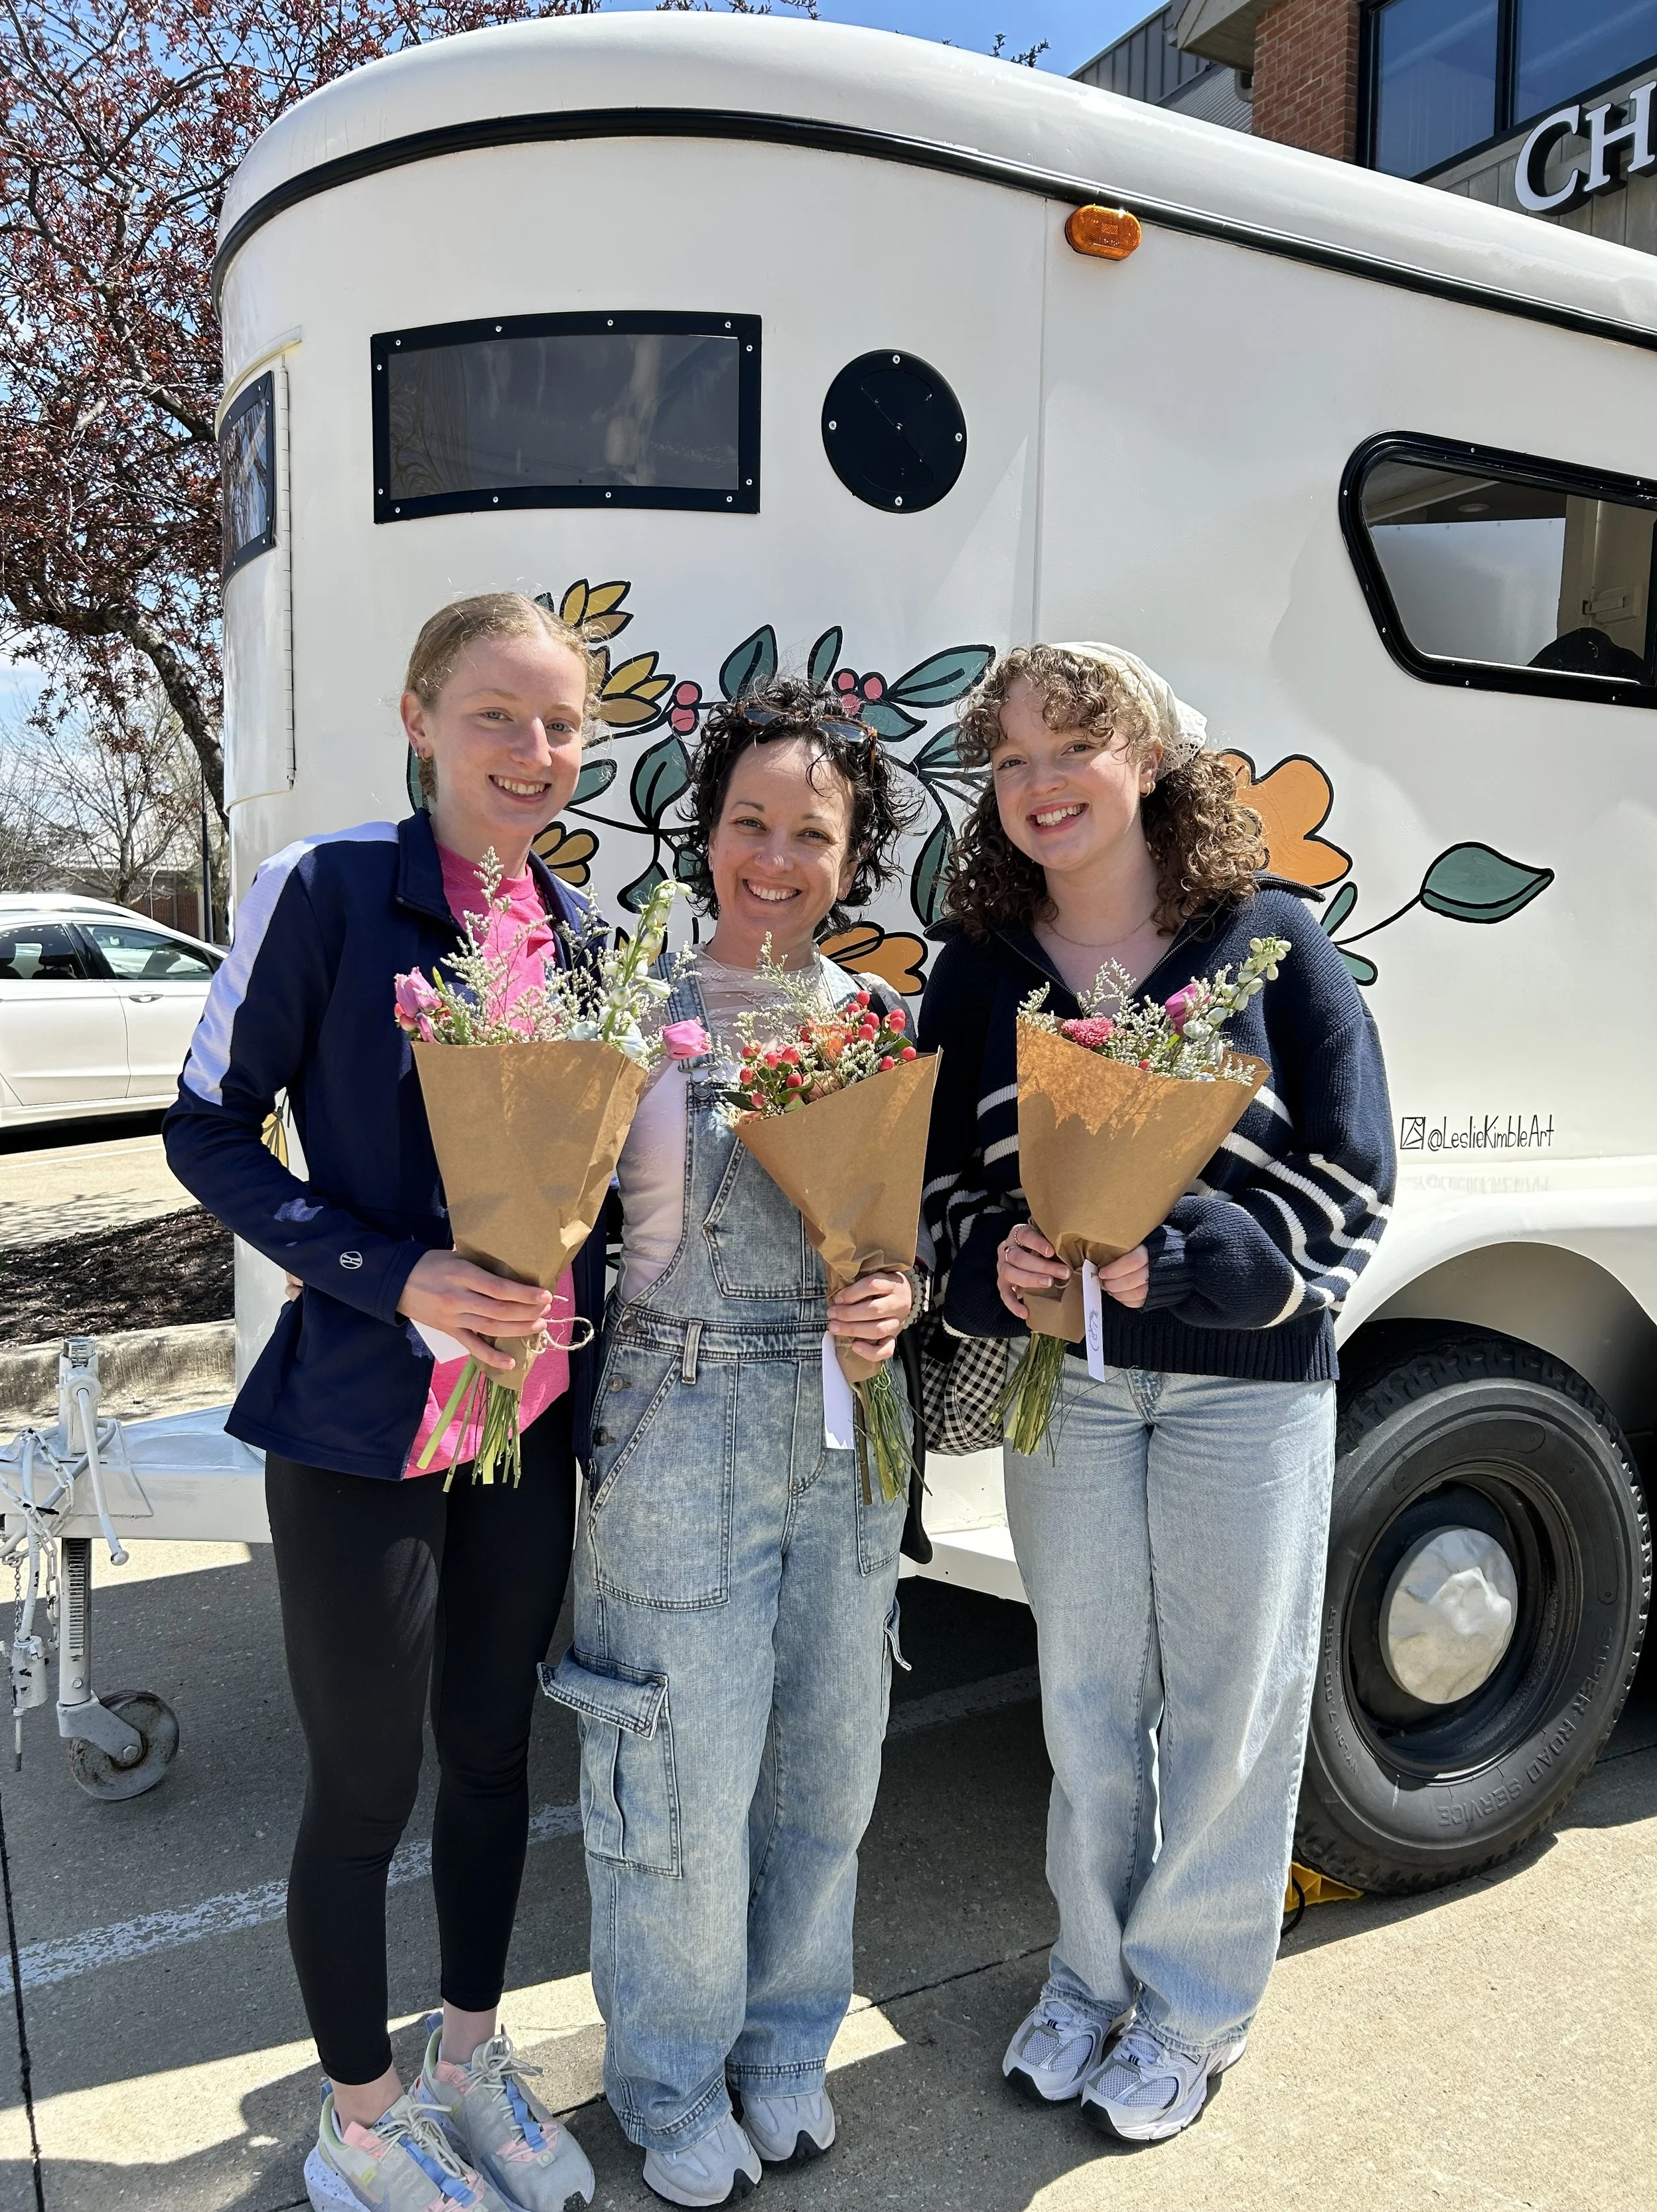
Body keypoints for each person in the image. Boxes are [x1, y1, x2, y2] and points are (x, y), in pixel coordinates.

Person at [918, 643, 1394, 2145]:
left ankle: (1188, 2006)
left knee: (1226, 1710)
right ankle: (1082, 1973)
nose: (1040, 784)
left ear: (1145, 760)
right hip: (1069, 1389)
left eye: (1072, 748)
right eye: (1007, 761)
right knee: (1081, 1699)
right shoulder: (978, 969)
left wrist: (1212, 1258)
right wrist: (987, 1257)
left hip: (1241, 1392)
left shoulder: (1264, 939)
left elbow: (1354, 1174)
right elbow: (928, 1185)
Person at [165, 592, 606, 2212]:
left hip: (526, 1415)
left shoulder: (577, 932)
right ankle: (359, 2122)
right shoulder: (333, 891)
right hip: (360, 1415)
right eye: (497, 714)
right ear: (418, 716)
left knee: (492, 1752)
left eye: (561, 724)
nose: (534, 751)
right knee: (364, 1781)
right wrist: (387, 1273)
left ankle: (471, 2061)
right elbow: (204, 1130)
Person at [541, 677, 924, 2208]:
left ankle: (782, 2051)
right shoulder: (628, 1010)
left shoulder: (872, 1024)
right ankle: (668, 2076)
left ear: (852, 856)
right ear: (704, 836)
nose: (775, 857)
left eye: (811, 834)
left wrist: (895, 1295)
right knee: (677, 1785)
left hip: (840, 1429)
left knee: (826, 1766)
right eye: (748, 823)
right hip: (671, 1410)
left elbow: (900, 1243)